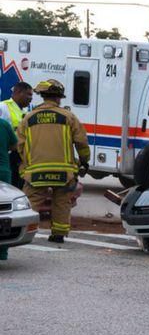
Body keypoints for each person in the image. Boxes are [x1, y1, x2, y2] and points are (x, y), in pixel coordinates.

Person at [16, 79, 90, 243]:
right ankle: (58, 234)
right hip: (63, 172)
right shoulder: (68, 116)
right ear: (58, 98)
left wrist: (26, 165)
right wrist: (84, 161)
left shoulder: (28, 118)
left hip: (36, 171)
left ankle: (23, 232)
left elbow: (19, 145)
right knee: (62, 201)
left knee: (30, 202)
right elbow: (81, 142)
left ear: (42, 96)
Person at [0, 82, 33, 189]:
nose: (31, 98)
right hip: (8, 154)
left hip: (21, 154)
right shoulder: (3, 107)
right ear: (18, 92)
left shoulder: (26, 111)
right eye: (28, 94)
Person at [0, 118, 18, 260]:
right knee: (4, 212)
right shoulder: (4, 124)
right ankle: (2, 252)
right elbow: (14, 146)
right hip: (3, 171)